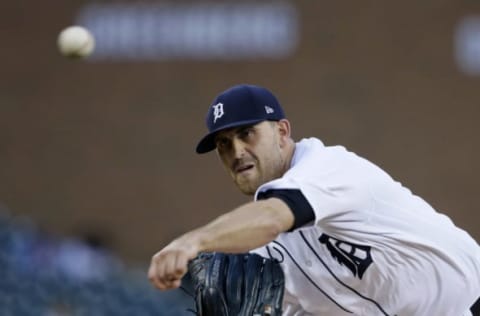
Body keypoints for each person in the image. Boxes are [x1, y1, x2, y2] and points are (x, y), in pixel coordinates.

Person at [148, 84, 480, 315]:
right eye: (223, 144)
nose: (236, 151)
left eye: (246, 133)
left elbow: (272, 217)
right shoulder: (269, 253)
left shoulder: (326, 167)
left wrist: (194, 241)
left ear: (281, 132)